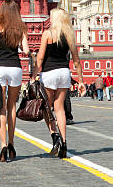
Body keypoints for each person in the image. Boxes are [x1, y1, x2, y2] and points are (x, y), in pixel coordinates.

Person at [34, 8, 85, 159]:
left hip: (49, 73)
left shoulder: (48, 34)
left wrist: (34, 76)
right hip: (64, 73)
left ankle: (55, 136)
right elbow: (76, 61)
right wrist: (81, 81)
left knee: (46, 108)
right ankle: (64, 141)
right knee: (60, 109)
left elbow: (40, 57)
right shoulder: (70, 35)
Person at [0, 0, 30, 162]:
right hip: (15, 68)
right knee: (12, 107)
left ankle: (3, 145)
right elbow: (26, 50)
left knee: (1, 108)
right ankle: (11, 144)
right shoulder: (21, 28)